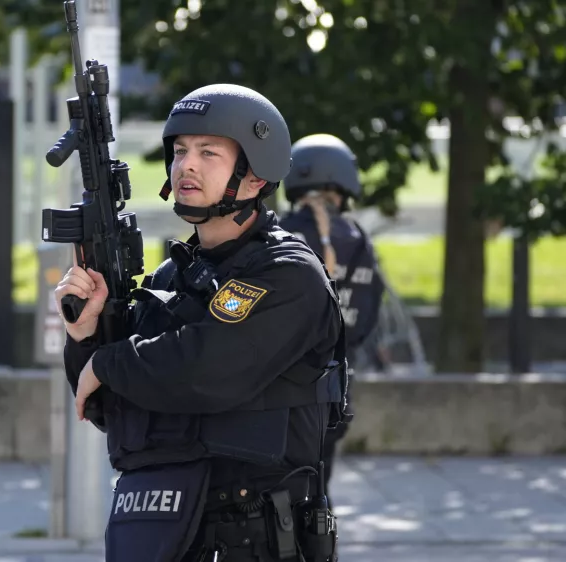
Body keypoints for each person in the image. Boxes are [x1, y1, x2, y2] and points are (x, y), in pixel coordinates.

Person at [55, 84, 347, 562]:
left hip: (255, 542)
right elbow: (109, 407)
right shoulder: (174, 277)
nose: (186, 165)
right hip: (164, 535)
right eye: (180, 151)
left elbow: (210, 368)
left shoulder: (290, 275)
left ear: (255, 176)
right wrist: (85, 334)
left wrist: (108, 363)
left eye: (208, 152)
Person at [279, 133, 387, 505]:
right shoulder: (358, 239)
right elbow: (368, 316)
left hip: (277, 394)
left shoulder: (275, 234)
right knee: (318, 492)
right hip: (337, 390)